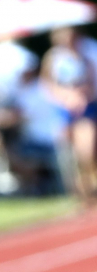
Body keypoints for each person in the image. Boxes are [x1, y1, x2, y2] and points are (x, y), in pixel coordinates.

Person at [41, 27, 97, 204]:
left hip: (85, 108)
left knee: (86, 149)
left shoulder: (84, 57)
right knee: (67, 152)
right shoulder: (53, 58)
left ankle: (88, 184)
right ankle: (79, 191)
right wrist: (63, 97)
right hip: (63, 109)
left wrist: (81, 97)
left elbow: (90, 82)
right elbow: (47, 84)